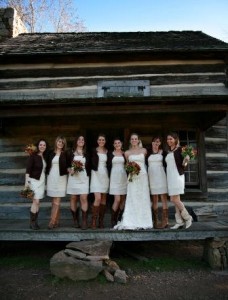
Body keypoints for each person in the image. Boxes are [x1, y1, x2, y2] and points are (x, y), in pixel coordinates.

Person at [114, 133, 153, 230]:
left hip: (143, 176)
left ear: (139, 140)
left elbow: (147, 163)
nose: (134, 140)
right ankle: (131, 220)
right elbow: (127, 165)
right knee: (133, 197)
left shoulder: (144, 151)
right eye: (132, 139)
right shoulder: (127, 153)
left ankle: (144, 220)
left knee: (142, 197)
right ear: (130, 141)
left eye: (136, 139)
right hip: (133, 177)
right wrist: (132, 169)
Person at [165, 132, 192, 229]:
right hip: (170, 177)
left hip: (177, 176)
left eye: (171, 139)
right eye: (168, 139)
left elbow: (184, 165)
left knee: (174, 199)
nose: (169, 141)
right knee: (176, 200)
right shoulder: (169, 151)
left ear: (175, 140)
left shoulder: (180, 149)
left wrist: (186, 160)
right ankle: (179, 221)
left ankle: (188, 217)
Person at [66, 135, 90, 230]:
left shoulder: (87, 153)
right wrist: (69, 170)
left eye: (83, 139)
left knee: (83, 198)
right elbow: (66, 165)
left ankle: (84, 221)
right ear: (76, 141)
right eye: (79, 139)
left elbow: (91, 164)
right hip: (73, 178)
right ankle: (75, 220)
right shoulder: (70, 153)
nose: (81, 141)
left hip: (84, 178)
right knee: (73, 198)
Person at [46, 135, 70, 229]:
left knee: (57, 201)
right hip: (52, 177)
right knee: (53, 201)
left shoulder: (66, 154)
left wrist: (71, 169)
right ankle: (57, 221)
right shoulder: (50, 153)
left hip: (61, 178)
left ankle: (52, 221)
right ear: (56, 142)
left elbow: (69, 165)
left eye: (62, 142)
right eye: (59, 141)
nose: (61, 143)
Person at [25, 139, 48, 230]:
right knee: (36, 201)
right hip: (33, 181)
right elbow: (28, 170)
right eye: (40, 145)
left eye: (44, 145)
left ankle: (35, 221)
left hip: (41, 181)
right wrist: (27, 183)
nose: (42, 146)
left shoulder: (44, 156)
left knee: (38, 203)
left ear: (46, 147)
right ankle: (32, 222)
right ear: (38, 146)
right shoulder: (33, 156)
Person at [147, 136, 169, 229]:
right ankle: (155, 220)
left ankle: (165, 220)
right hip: (151, 176)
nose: (156, 143)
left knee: (163, 197)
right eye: (155, 141)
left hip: (160, 176)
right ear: (152, 142)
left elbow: (168, 163)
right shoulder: (147, 153)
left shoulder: (163, 152)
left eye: (158, 142)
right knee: (154, 198)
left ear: (160, 143)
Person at [90, 133, 109, 229]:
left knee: (103, 199)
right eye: (99, 140)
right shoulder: (93, 151)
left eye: (103, 140)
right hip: (95, 175)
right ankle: (94, 220)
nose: (101, 141)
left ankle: (101, 221)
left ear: (105, 141)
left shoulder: (107, 151)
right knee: (97, 198)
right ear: (97, 141)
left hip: (105, 175)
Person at [107, 138, 127, 227]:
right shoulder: (110, 154)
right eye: (115, 143)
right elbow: (107, 166)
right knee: (117, 199)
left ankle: (120, 218)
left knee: (123, 200)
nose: (117, 144)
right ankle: (113, 219)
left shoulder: (125, 154)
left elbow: (128, 165)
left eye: (119, 143)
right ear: (113, 145)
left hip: (123, 177)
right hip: (114, 177)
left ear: (121, 144)